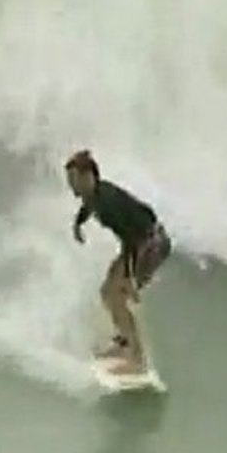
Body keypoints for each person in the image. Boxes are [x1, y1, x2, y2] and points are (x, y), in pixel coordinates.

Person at [64, 150, 172, 375]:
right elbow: (87, 208)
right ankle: (124, 343)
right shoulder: (94, 195)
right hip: (139, 243)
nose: (71, 184)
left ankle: (136, 357)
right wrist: (78, 224)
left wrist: (131, 276)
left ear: (88, 177)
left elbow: (133, 237)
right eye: (69, 180)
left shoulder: (107, 201)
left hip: (151, 244)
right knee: (107, 292)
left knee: (117, 294)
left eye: (74, 179)